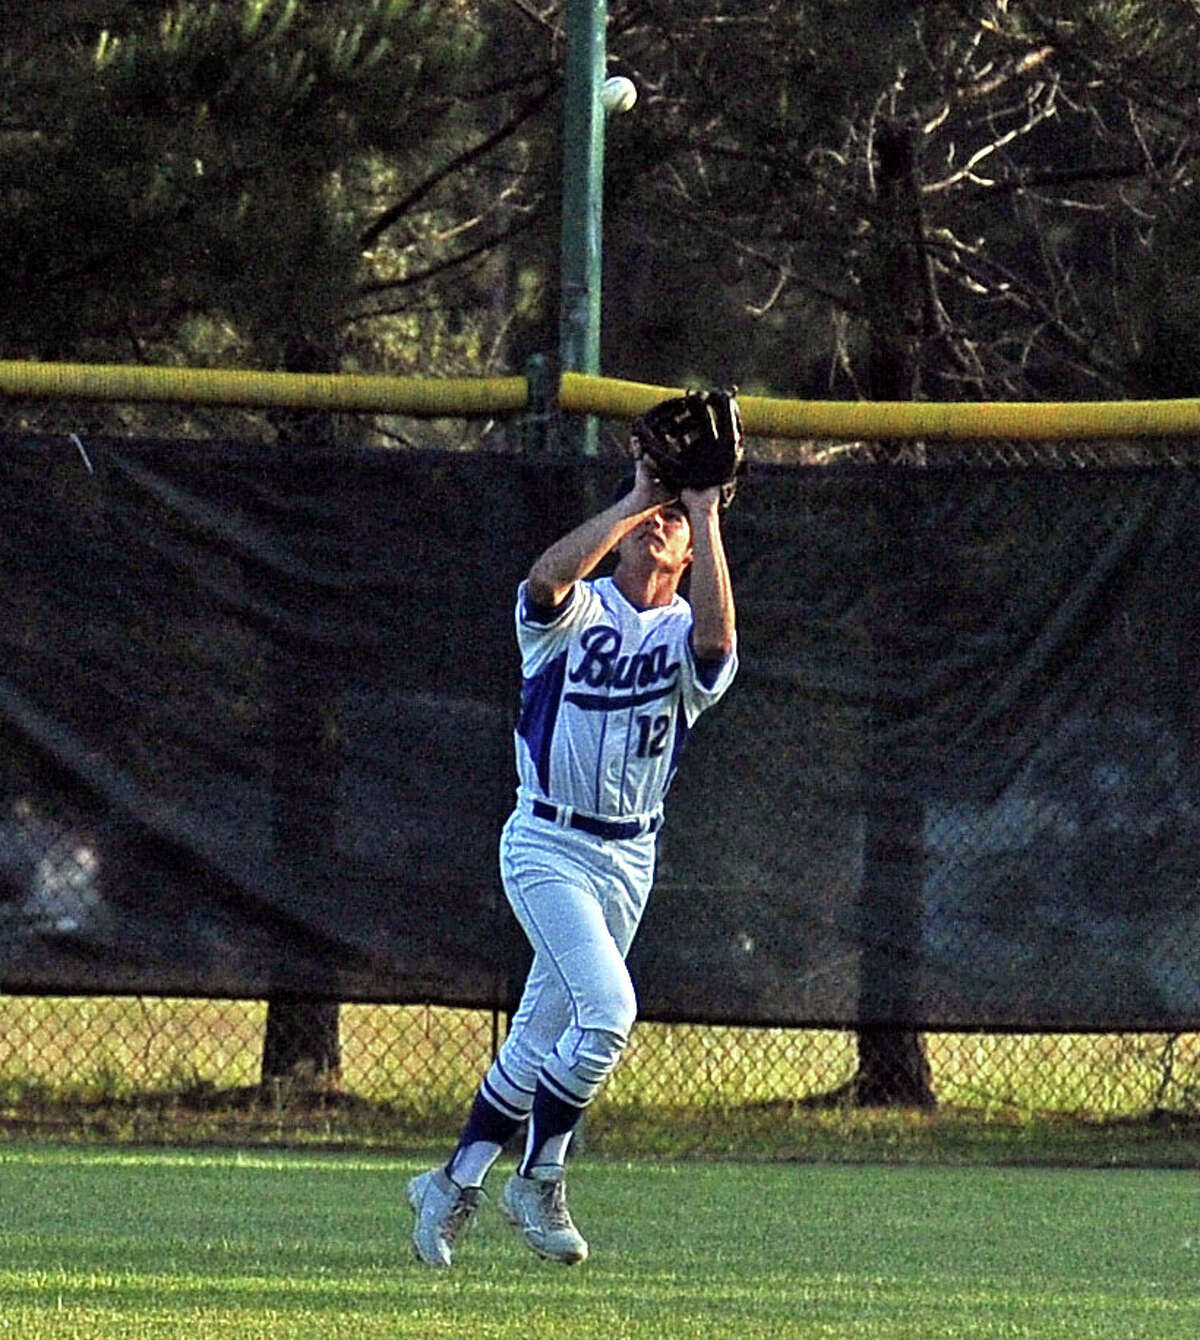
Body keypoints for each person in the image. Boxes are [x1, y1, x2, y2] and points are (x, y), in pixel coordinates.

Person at [407, 392, 741, 1268]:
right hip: (547, 843)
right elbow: (544, 581)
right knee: (609, 1014)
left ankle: (448, 1187)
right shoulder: (577, 615)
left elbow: (715, 643)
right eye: (648, 518)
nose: (655, 528)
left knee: (535, 1040)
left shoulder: (681, 632)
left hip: (629, 854)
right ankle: (538, 1176)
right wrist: (638, 497)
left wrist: (701, 513)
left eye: (666, 521)